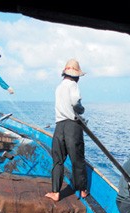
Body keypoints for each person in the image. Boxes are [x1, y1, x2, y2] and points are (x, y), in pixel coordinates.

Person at [45, 59, 88, 202]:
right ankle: (82, 190)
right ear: (76, 75)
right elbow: (75, 102)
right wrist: (81, 110)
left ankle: (55, 192)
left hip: (59, 127)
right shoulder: (73, 85)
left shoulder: (59, 87)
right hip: (72, 126)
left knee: (58, 161)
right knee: (77, 159)